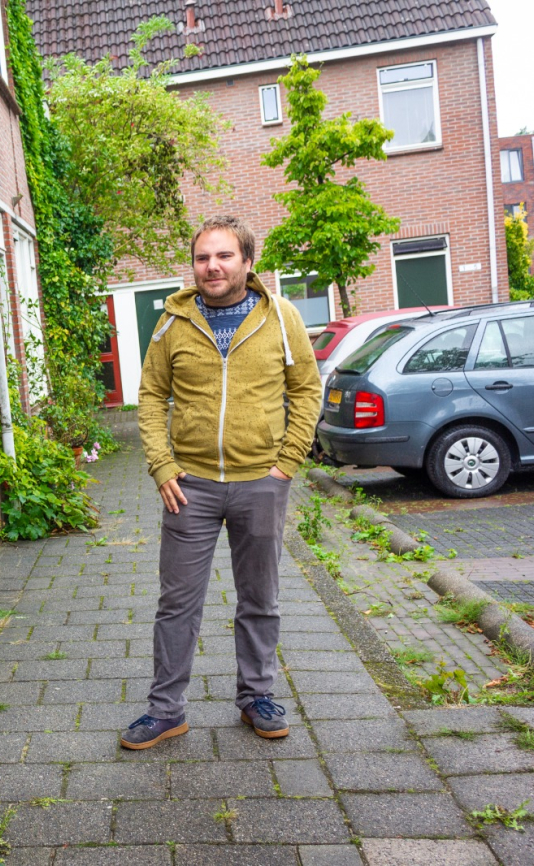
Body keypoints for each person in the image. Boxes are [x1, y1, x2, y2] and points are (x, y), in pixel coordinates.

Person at [123, 215, 320, 750]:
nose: (212, 266)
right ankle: (166, 710)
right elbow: (149, 395)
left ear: (247, 262)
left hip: (262, 480)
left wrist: (287, 463)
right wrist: (161, 464)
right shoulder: (172, 322)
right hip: (190, 486)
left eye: (224, 256)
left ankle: (256, 696)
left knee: (260, 597)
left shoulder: (282, 317)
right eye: (203, 257)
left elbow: (306, 389)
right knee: (177, 602)